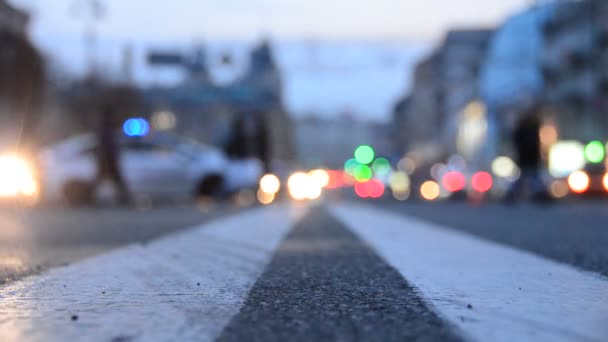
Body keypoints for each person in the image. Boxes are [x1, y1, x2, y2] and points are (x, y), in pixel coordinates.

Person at [92, 104, 131, 205]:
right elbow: (108, 145)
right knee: (116, 181)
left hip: (106, 158)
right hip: (108, 158)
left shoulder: (104, 127)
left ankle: (124, 199)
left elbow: (104, 144)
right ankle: (125, 199)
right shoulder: (107, 128)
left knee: (103, 181)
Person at [506, 109, 546, 202]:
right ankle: (540, 194)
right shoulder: (527, 131)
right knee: (530, 178)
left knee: (529, 178)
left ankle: (512, 194)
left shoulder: (528, 130)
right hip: (527, 158)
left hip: (528, 158)